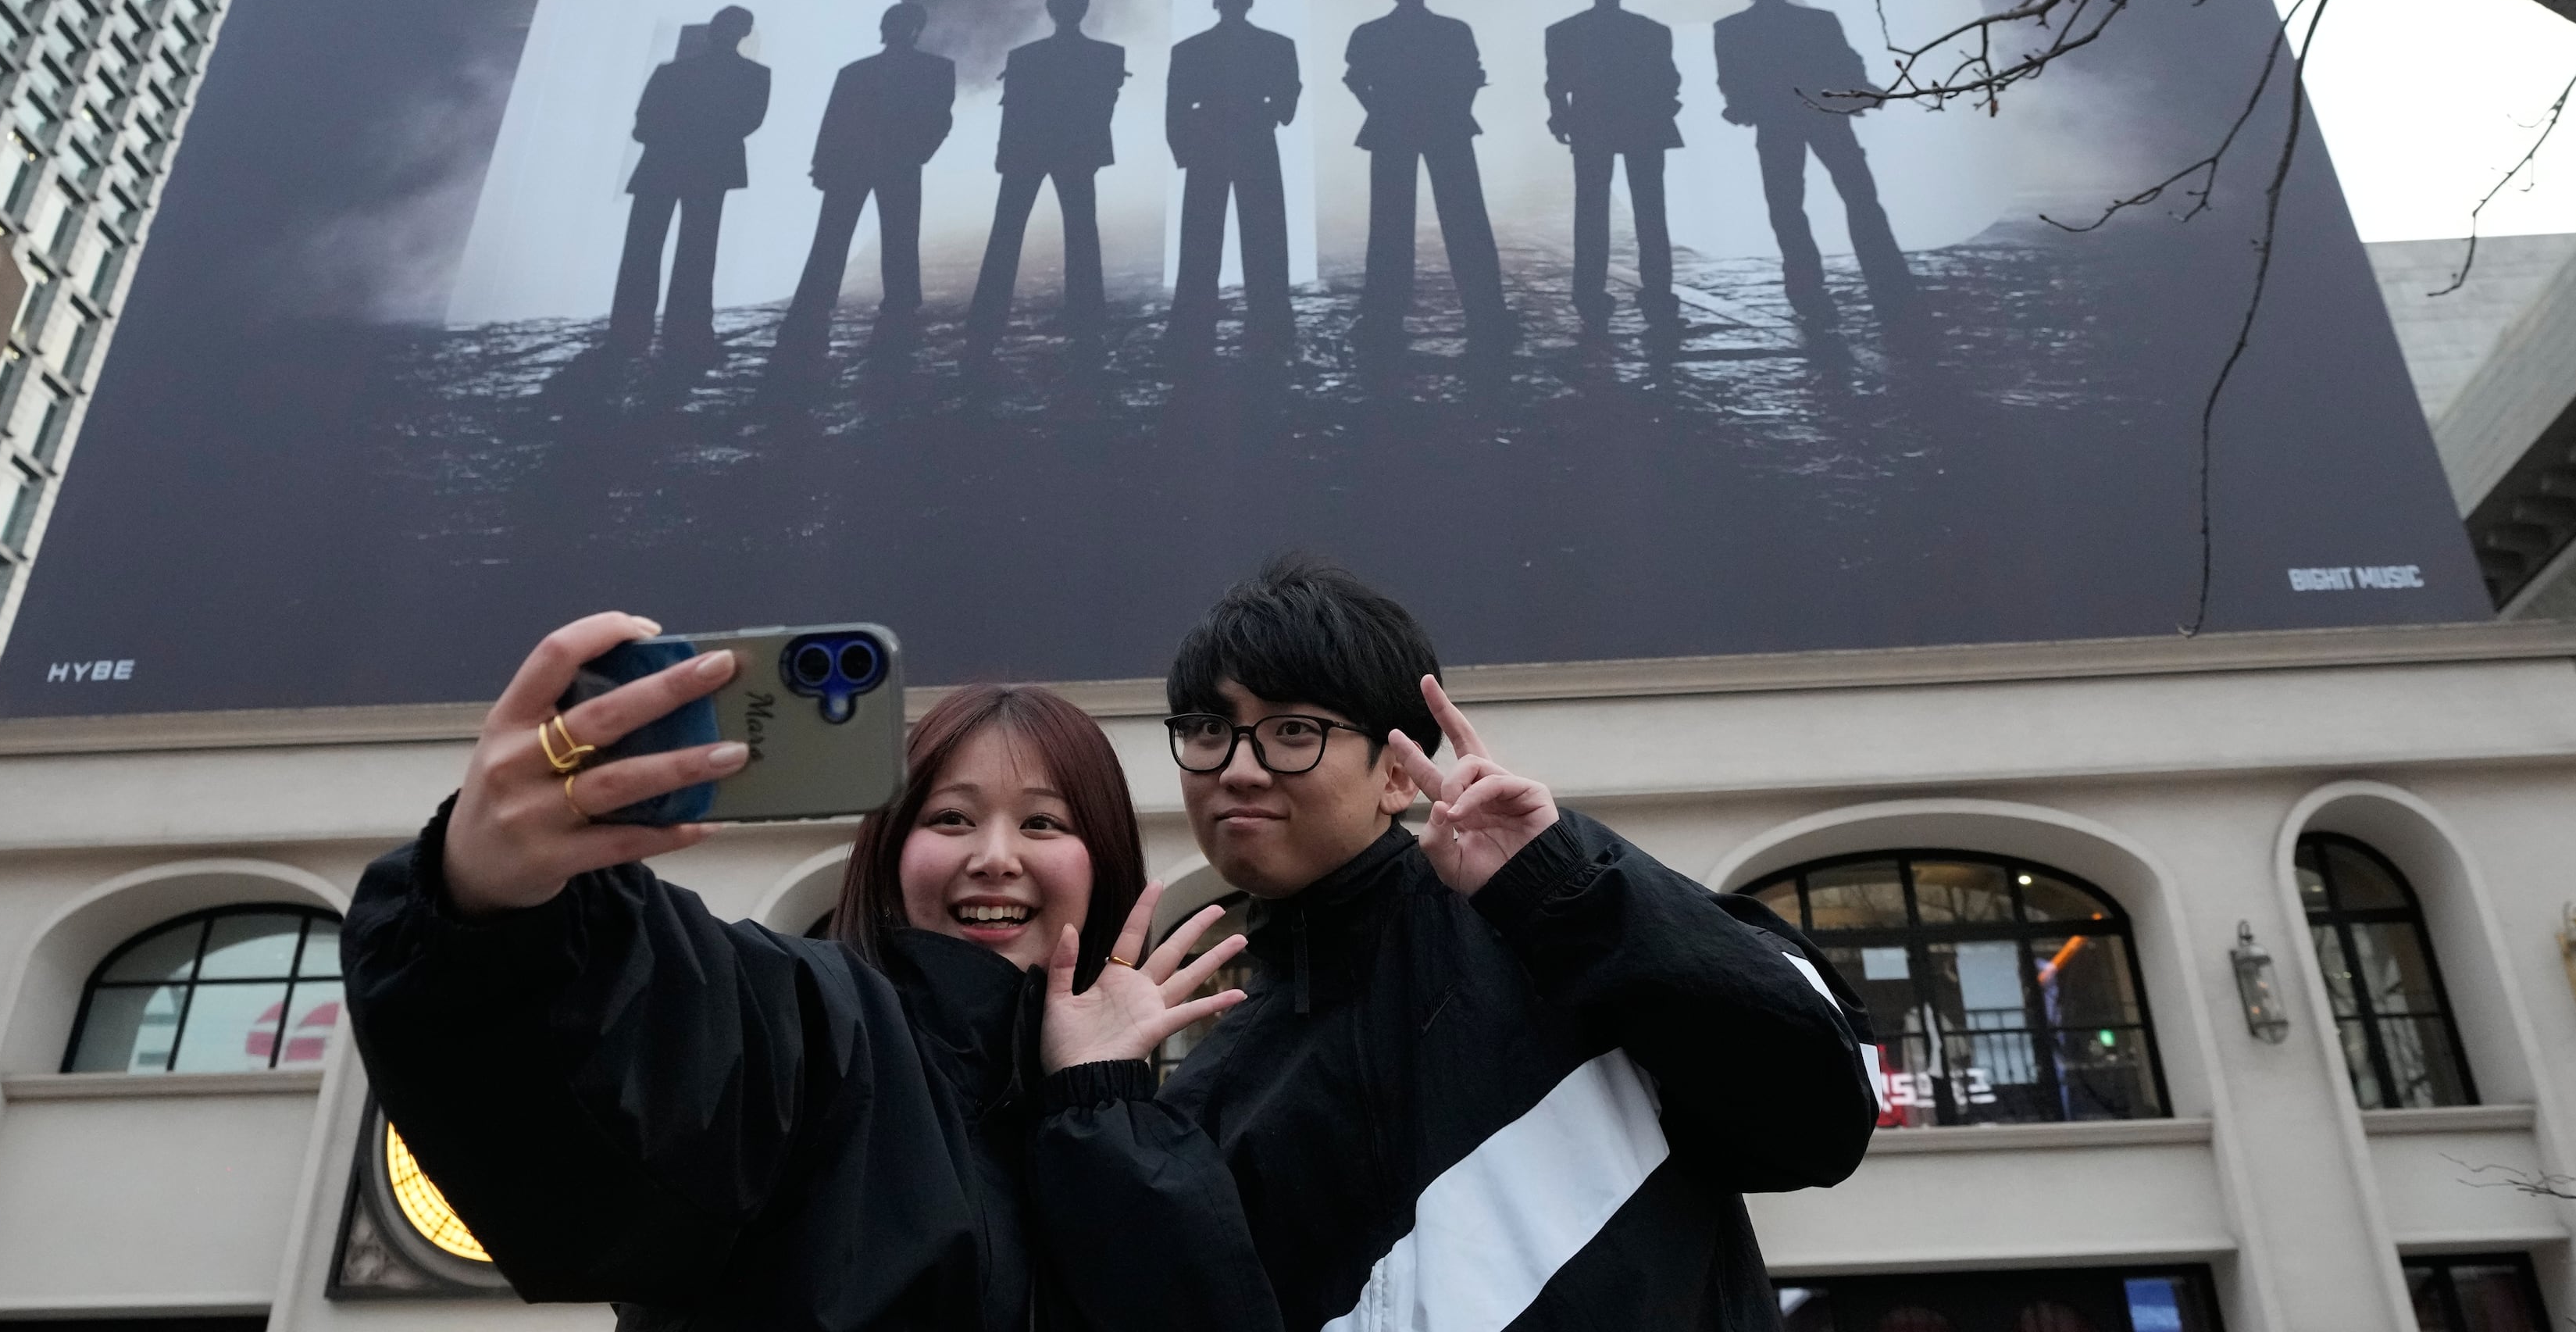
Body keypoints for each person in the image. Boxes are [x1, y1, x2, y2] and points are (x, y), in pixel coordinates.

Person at [1032, 559, 1880, 1332]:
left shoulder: (1562, 937)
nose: (1238, 768)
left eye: (1294, 731)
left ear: (1398, 773)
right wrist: (1098, 1101)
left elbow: (1825, 1109)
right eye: (1209, 729)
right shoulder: (1219, 1086)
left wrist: (1560, 884)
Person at [344, 612, 1248, 1332]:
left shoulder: (1144, 1132)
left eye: (1045, 825)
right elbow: (648, 1013)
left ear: (1106, 868)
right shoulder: (821, 1028)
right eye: (950, 820)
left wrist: (1096, 1105)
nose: (996, 858)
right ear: (889, 855)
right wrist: (498, 898)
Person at [1713, 0, 1910, 316]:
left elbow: (1731, 79)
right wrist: (1861, 93)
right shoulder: (1820, 21)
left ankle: (1803, 280)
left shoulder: (1731, 29)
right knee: (1860, 196)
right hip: (1826, 116)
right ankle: (1886, 275)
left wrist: (1742, 107)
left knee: (1786, 204)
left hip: (1775, 121)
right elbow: (1846, 63)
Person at [1345, 0, 1511, 348]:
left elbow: (1355, 78)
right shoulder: (1454, 30)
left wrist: (1378, 110)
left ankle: (1382, 310)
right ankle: (1486, 306)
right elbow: (1472, 76)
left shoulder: (1370, 33)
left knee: (1388, 222)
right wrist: (1457, 109)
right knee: (1466, 216)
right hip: (1447, 125)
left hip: (1390, 127)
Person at [782, 2, 958, 350]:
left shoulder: (855, 72)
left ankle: (817, 300)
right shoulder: (936, 69)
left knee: (834, 235)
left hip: (855, 163)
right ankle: (901, 301)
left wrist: (822, 164)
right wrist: (918, 153)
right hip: (897, 162)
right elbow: (940, 119)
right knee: (900, 233)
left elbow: (833, 123)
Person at [968, 0, 1127, 359]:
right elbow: (1103, 108)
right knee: (1082, 231)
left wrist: (1003, 153)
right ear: (1083, 12)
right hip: (1076, 151)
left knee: (1007, 231)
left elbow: (1013, 112)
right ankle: (1087, 314)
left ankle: (987, 317)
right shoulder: (1108, 55)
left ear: (1050, 13)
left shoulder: (1024, 57)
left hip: (1027, 150)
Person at [614, 6, 769, 355]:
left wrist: (672, 137)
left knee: (644, 248)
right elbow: (746, 122)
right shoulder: (755, 76)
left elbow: (644, 124)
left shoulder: (672, 73)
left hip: (663, 164)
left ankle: (630, 326)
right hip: (710, 167)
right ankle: (687, 325)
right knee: (697, 250)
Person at [1543, 0, 1683, 332]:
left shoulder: (1563, 32)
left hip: (1591, 125)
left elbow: (1556, 84)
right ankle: (1658, 289)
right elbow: (1668, 81)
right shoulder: (1653, 31)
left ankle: (1589, 291)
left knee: (1590, 211)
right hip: (1644, 124)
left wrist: (1560, 118)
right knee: (1651, 210)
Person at [1165, 0, 1300, 350]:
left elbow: (1175, 106)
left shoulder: (1191, 49)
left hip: (1208, 141)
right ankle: (1271, 309)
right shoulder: (1276, 45)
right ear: (1250, 3)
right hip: (1256, 137)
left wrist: (1182, 151)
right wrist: (1273, 112)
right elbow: (1289, 96)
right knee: (1266, 228)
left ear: (1215, 4)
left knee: (1200, 232)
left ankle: (1193, 310)